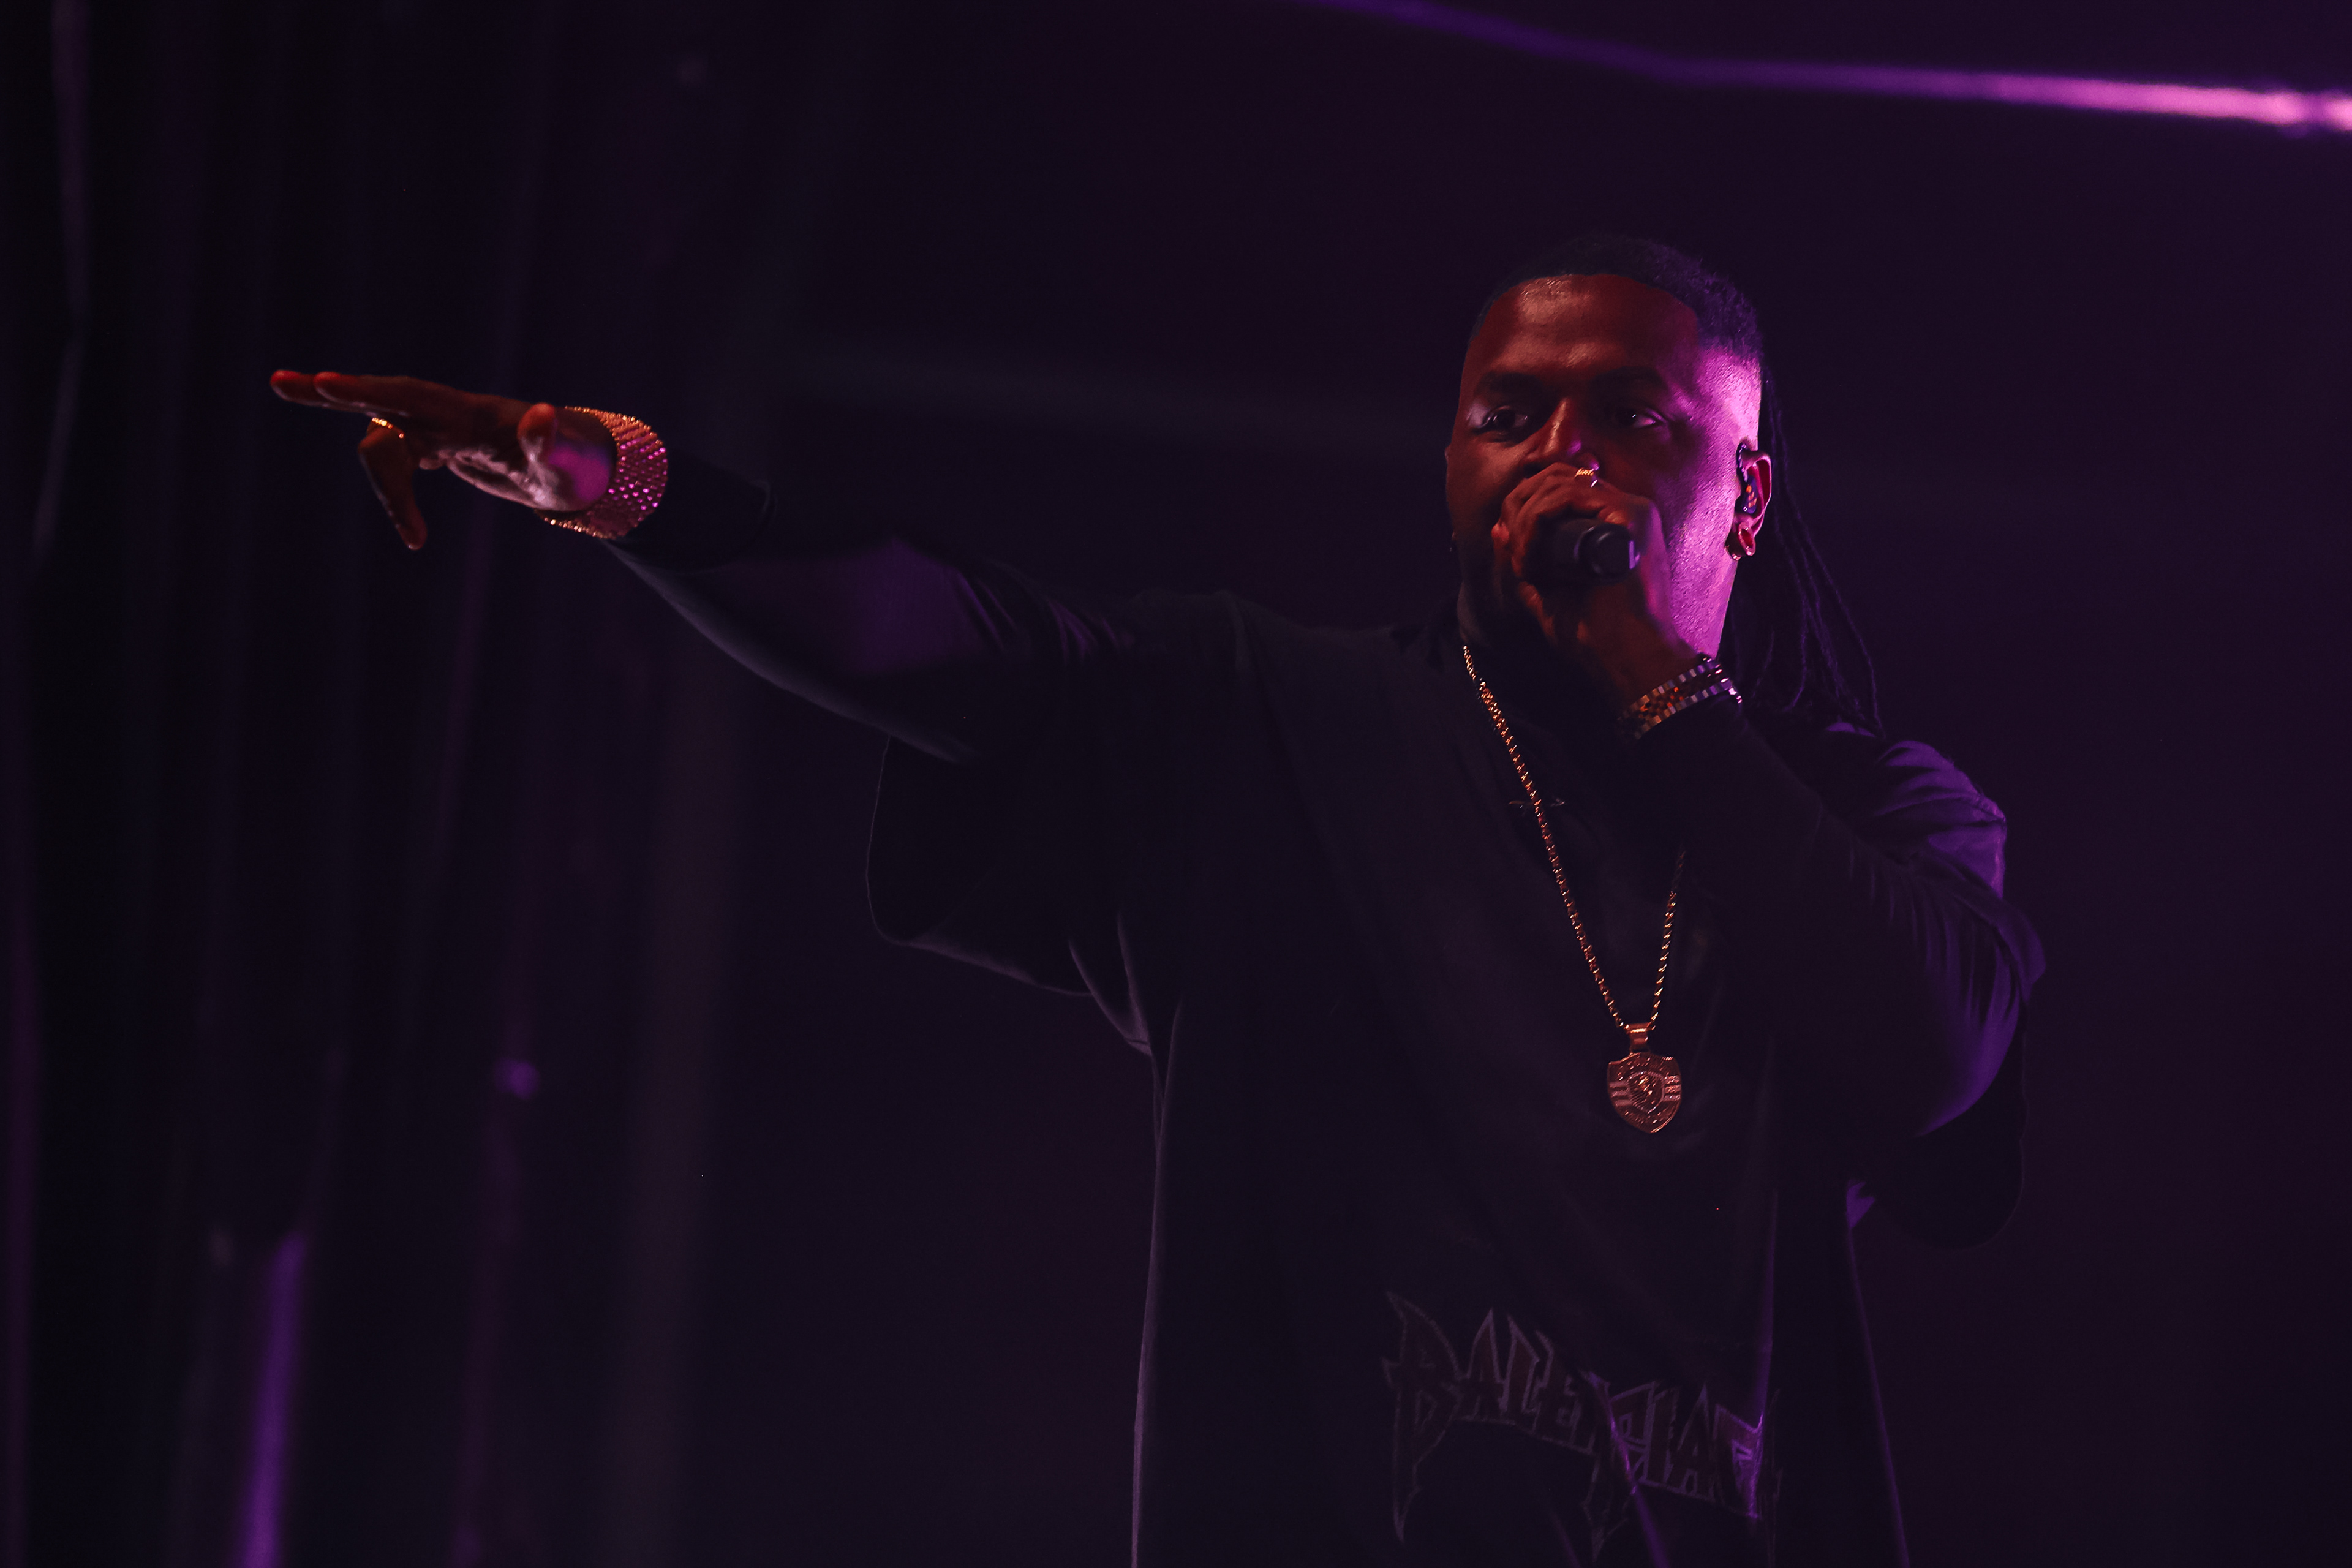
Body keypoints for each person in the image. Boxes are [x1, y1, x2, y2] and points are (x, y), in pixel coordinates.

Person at [272, 234, 2041, 1567]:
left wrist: (1651, 679)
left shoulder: (1870, 814)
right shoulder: (1283, 723)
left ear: (1747, 495)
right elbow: (948, 638)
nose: (1555, 457)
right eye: (1506, 416)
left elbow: (1930, 1044)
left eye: (1631, 419)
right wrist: (629, 491)